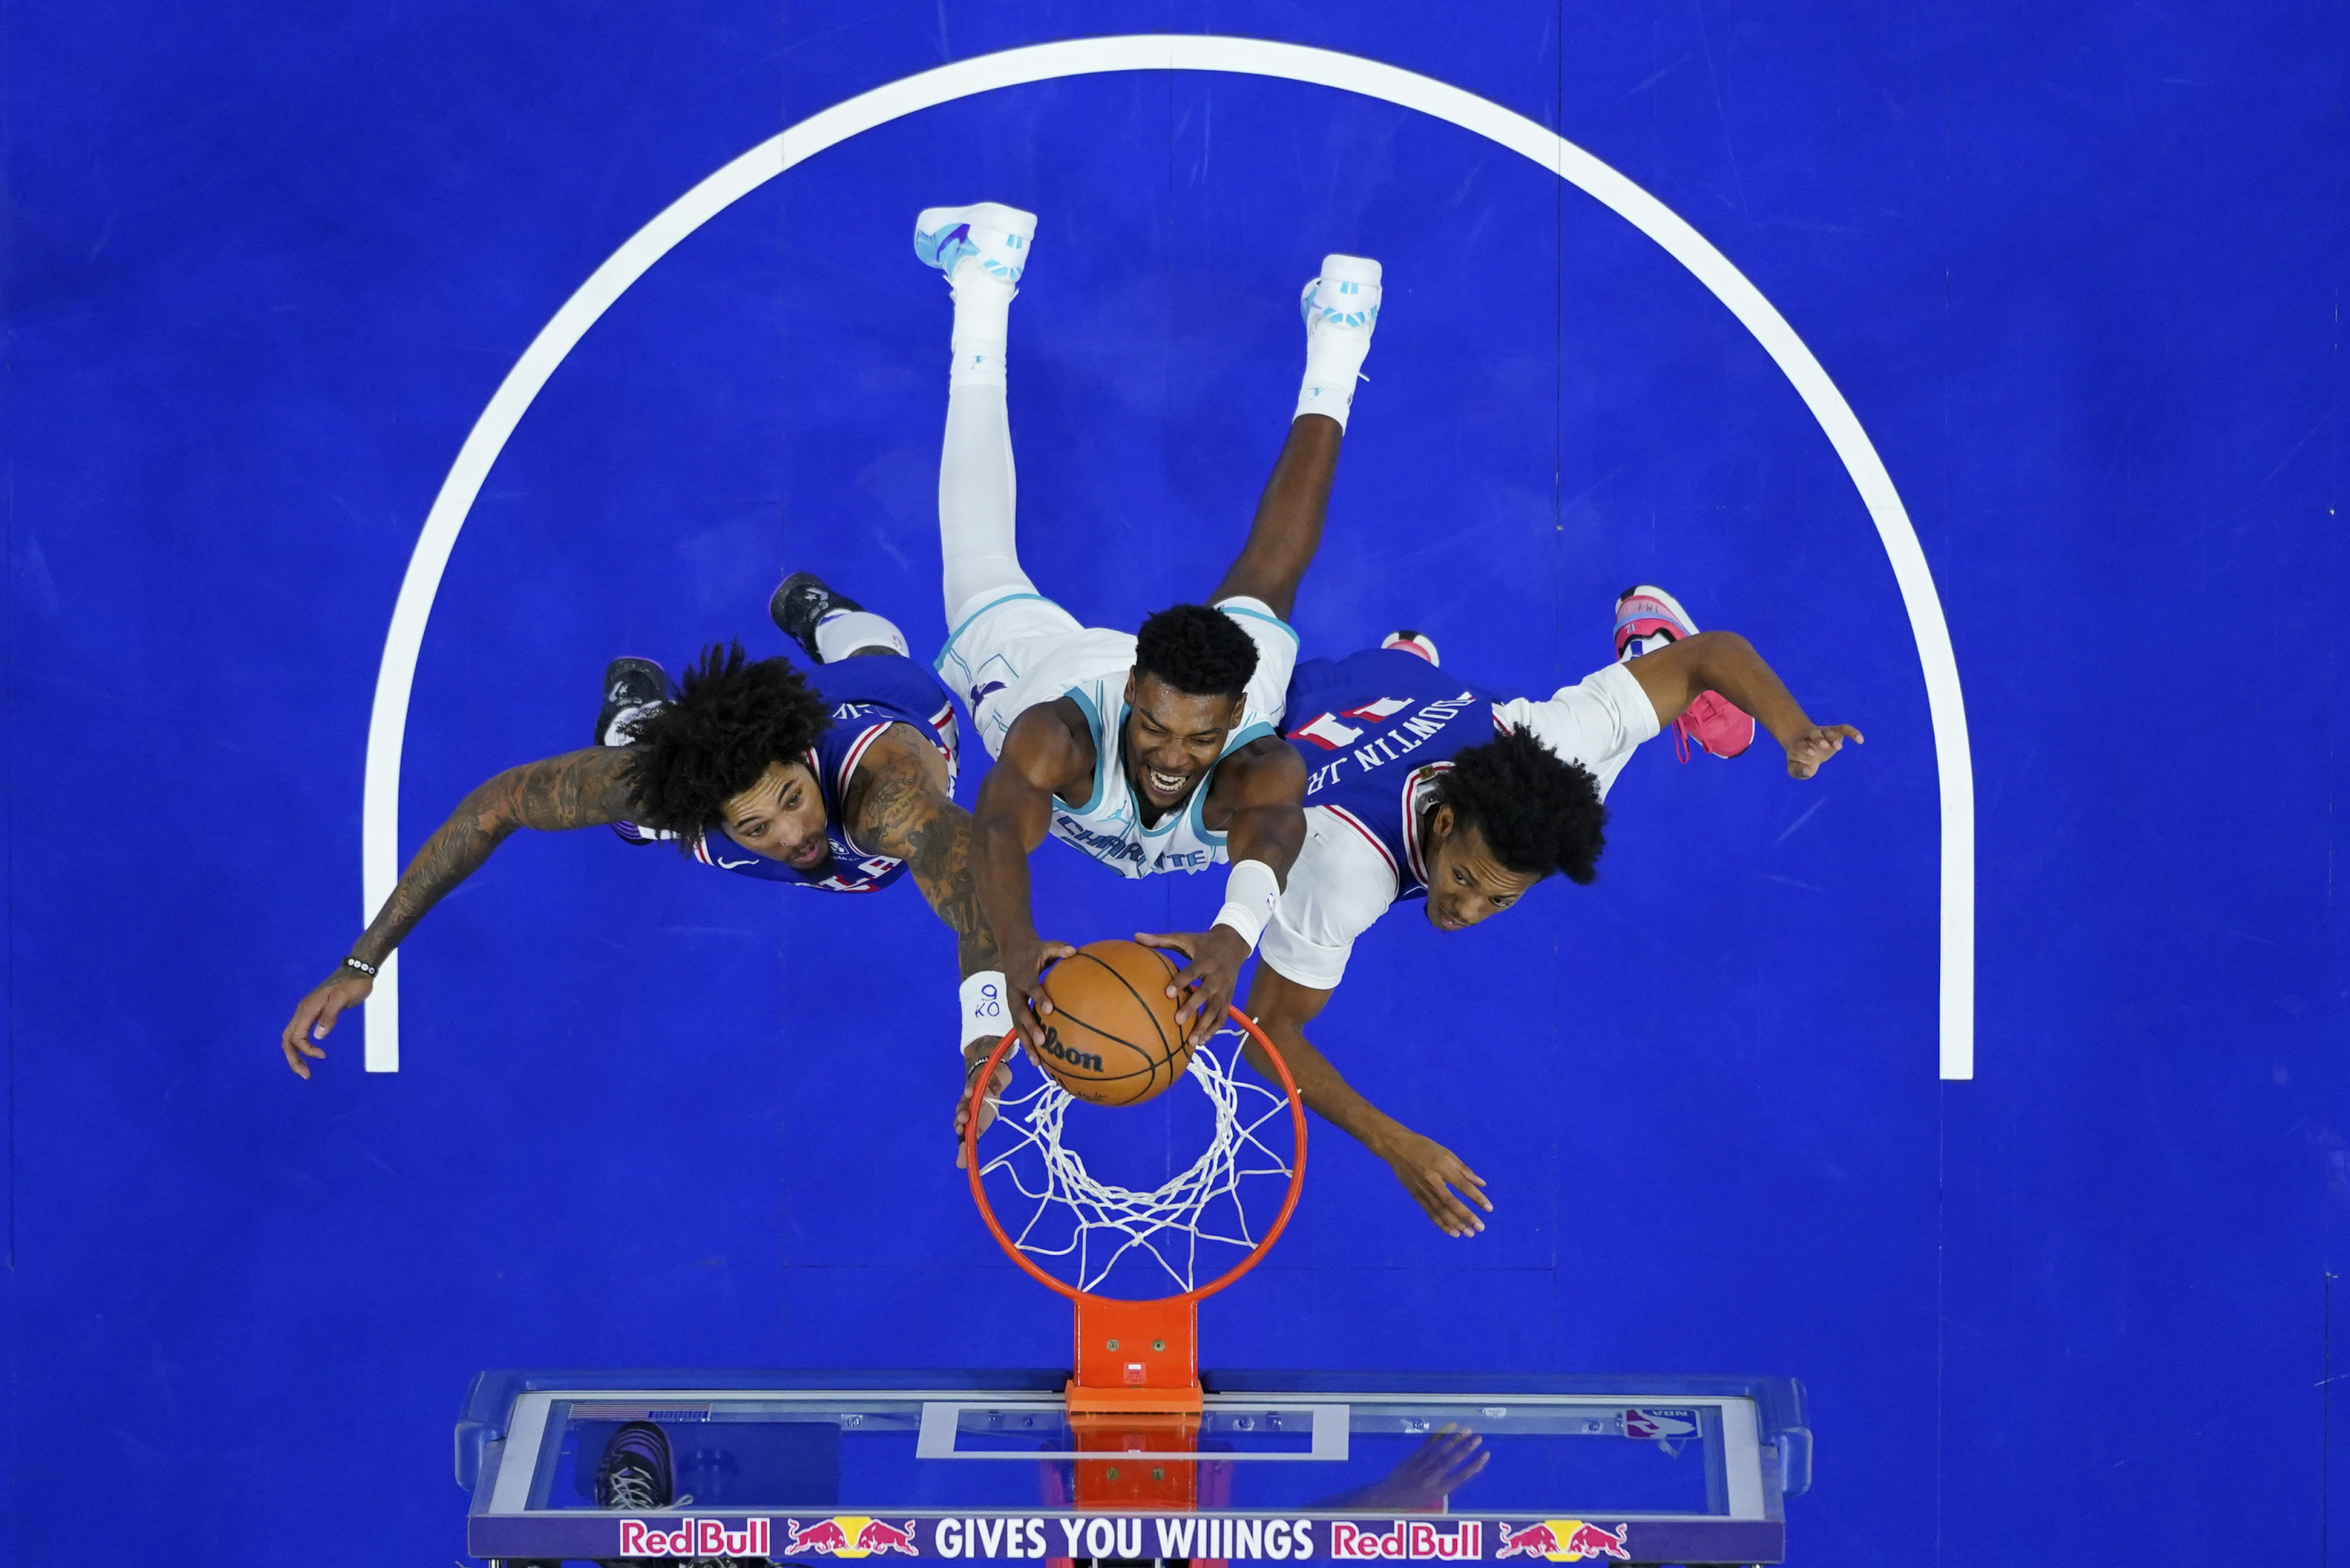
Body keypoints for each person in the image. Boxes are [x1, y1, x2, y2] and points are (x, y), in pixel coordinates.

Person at [910, 200, 1383, 1091]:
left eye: (1200, 739)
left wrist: (1229, 937)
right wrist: (1012, 946)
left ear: (1235, 717)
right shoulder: (1057, 733)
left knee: (1266, 581)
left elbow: (1274, 832)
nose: (1174, 760)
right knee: (974, 560)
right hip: (1050, 663)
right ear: (1134, 692)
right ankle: (983, 281)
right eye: (1159, 731)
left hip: (1202, 677)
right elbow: (999, 831)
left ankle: (1341, 332)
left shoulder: (1255, 759)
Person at [1241, 586, 1864, 1236]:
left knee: (1578, 787)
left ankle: (1648, 646)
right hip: (1313, 707)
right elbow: (1265, 1027)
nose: (1467, 909)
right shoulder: (1340, 871)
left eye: (1500, 897)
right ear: (1444, 819)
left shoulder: (1548, 742)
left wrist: (1796, 731)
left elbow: (1710, 651)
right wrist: (1394, 1142)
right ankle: (1429, 668)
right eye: (1464, 878)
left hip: (1431, 701)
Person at [278, 580, 1004, 1078]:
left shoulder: (889, 797)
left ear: (800, 759)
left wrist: (983, 1031)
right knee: (638, 811)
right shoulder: (675, 802)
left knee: (871, 655)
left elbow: (977, 888)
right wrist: (362, 962)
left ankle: (820, 613)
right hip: (673, 783)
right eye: (754, 825)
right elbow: (494, 805)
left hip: (885, 700)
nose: (792, 836)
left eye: (790, 798)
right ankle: (637, 723)